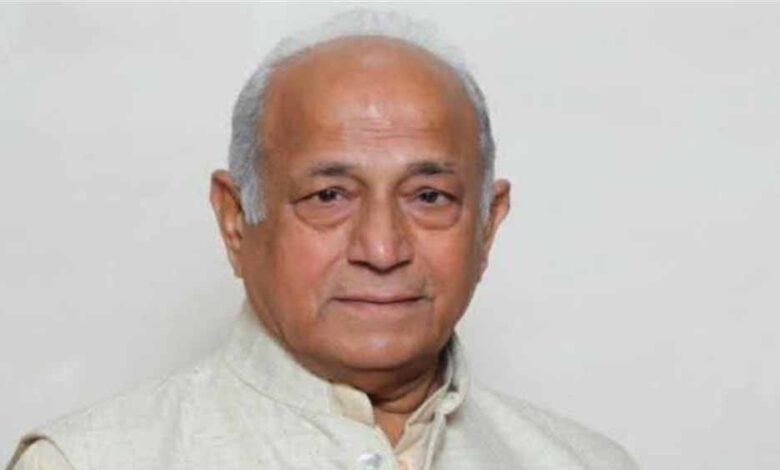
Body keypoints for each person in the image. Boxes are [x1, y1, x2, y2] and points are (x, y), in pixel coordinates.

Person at [6, 10, 639, 470]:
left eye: (429, 197)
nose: (382, 250)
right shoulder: (91, 461)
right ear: (235, 219)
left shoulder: (586, 463)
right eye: (329, 196)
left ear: (488, 225)